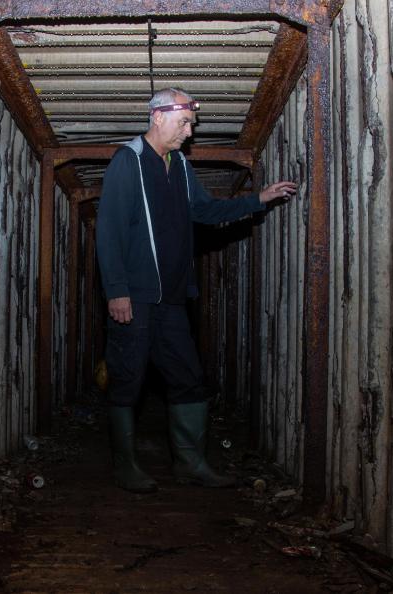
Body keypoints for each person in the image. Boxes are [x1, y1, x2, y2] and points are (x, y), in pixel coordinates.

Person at [96, 88, 297, 493]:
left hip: (171, 299)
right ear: (157, 117)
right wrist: (116, 290)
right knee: (128, 378)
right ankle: (126, 466)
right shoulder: (128, 161)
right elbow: (109, 230)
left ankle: (191, 463)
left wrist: (258, 199)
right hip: (134, 296)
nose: (190, 131)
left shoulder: (180, 167)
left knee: (188, 377)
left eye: (191, 123)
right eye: (184, 122)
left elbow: (205, 211)